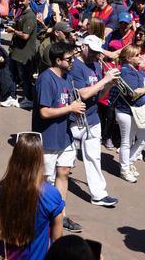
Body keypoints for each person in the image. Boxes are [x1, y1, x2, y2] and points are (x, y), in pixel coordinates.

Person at [33, 42, 85, 232]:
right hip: (48, 137)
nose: (72, 62)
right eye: (69, 59)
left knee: (63, 173)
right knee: (45, 179)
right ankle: (42, 214)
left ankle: (60, 214)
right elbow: (44, 113)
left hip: (64, 136)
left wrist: (74, 109)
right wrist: (70, 108)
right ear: (57, 60)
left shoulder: (66, 77)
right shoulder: (46, 80)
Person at [0, 133, 64, 259]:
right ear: (39, 160)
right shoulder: (50, 195)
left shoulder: (2, 190)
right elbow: (57, 238)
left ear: (14, 158)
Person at [68, 35, 119, 206]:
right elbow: (83, 94)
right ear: (83, 47)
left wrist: (110, 85)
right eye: (93, 51)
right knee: (65, 160)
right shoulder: (75, 66)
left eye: (98, 52)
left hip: (92, 118)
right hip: (74, 120)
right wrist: (105, 80)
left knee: (94, 157)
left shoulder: (96, 65)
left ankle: (99, 194)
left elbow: (97, 96)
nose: (96, 55)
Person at [113, 45, 145, 183]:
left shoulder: (137, 70)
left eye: (140, 54)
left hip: (138, 111)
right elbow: (133, 92)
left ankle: (129, 162)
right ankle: (124, 170)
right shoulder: (126, 71)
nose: (141, 57)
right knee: (126, 142)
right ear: (128, 58)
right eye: (137, 55)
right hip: (126, 111)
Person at [3, 0, 38, 108]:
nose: (20, 3)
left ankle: (29, 99)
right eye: (19, 0)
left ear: (29, 0)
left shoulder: (30, 16)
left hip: (24, 53)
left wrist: (13, 30)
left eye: (22, 1)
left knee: (25, 77)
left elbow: (25, 36)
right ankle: (12, 97)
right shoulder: (22, 13)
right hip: (16, 51)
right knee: (11, 74)